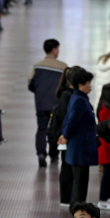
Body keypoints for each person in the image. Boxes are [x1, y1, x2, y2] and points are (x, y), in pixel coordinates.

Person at [60, 68, 98, 208]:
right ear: (80, 85)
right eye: (87, 82)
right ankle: (77, 208)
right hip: (80, 148)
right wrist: (66, 135)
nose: (90, 85)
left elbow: (68, 120)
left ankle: (77, 206)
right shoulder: (80, 101)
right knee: (80, 181)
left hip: (78, 148)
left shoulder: (77, 97)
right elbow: (71, 122)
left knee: (80, 180)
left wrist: (65, 134)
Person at [28, 39, 68, 167]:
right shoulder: (63, 67)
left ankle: (41, 154)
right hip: (57, 104)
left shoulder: (37, 66)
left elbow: (31, 85)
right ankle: (54, 155)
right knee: (55, 128)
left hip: (41, 103)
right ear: (55, 49)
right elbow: (67, 86)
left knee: (42, 128)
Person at [48, 66, 76, 205]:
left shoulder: (68, 94)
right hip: (66, 136)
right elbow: (68, 116)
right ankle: (66, 198)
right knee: (67, 166)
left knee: (68, 165)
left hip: (67, 135)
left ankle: (69, 197)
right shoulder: (67, 95)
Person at [95, 84, 110, 211]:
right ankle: (103, 199)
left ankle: (108, 196)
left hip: (107, 145)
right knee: (107, 174)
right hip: (107, 146)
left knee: (109, 173)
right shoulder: (106, 110)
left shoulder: (103, 106)